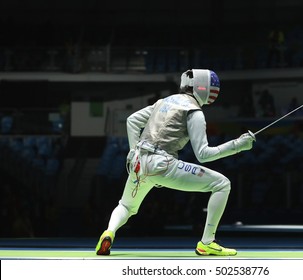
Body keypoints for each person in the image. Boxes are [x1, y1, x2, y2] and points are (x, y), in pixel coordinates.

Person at [95, 69, 256, 256]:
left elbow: (132, 121)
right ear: (203, 88)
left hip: (139, 164)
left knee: (126, 206)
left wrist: (133, 152)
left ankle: (109, 232)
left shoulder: (163, 102)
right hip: (162, 165)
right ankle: (207, 242)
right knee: (222, 184)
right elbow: (203, 154)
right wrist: (238, 145)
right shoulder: (194, 111)